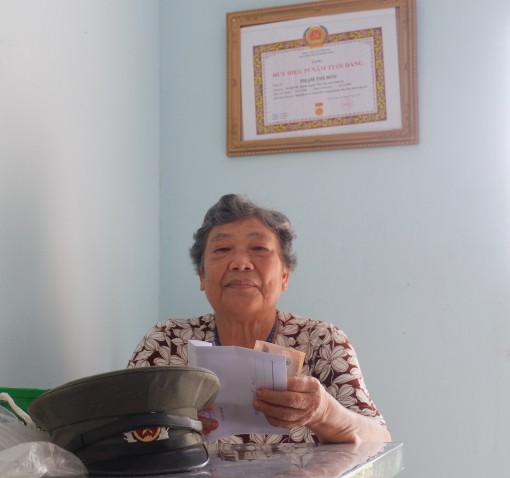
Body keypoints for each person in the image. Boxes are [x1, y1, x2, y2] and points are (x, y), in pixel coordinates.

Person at [127, 194, 391, 445]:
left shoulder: (322, 342)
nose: (240, 263)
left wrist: (324, 413)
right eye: (222, 249)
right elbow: (115, 430)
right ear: (202, 276)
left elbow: (380, 439)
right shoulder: (167, 343)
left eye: (259, 248)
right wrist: (169, 428)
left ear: (285, 276)